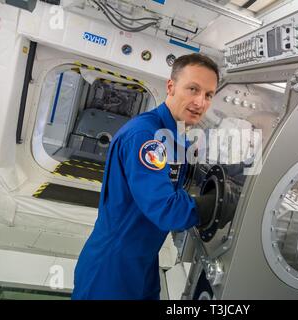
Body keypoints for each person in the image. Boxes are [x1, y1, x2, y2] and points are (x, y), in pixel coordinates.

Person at [72, 53, 219, 300]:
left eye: (208, 95)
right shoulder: (146, 137)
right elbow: (166, 210)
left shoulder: (175, 134)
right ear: (171, 87)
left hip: (144, 259)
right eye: (193, 89)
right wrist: (216, 204)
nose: (200, 102)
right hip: (113, 266)